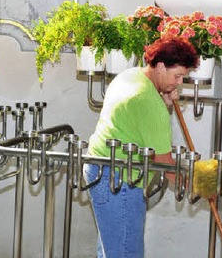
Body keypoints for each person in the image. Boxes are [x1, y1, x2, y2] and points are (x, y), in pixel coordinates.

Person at [85, 36, 199, 258]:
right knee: (126, 253)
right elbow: (165, 164)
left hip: (98, 169)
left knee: (112, 250)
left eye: (182, 78)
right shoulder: (148, 102)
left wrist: (164, 100)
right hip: (119, 181)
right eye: (177, 76)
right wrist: (196, 186)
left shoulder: (131, 75)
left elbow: (135, 123)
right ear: (160, 66)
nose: (178, 83)